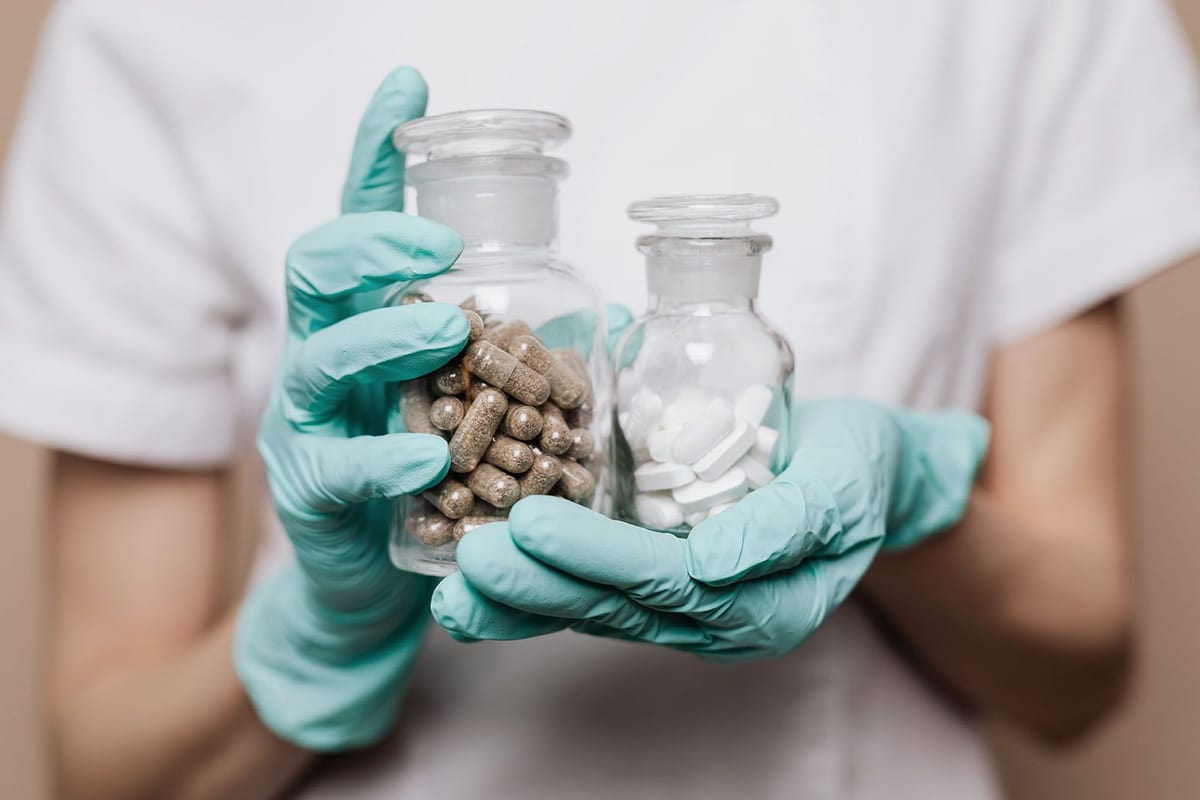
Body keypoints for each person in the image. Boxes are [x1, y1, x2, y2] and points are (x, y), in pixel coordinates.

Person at [2, 0, 1199, 797]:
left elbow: (1083, 674)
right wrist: (318, 639)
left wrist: (915, 496)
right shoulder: (147, 23)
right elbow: (98, 757)